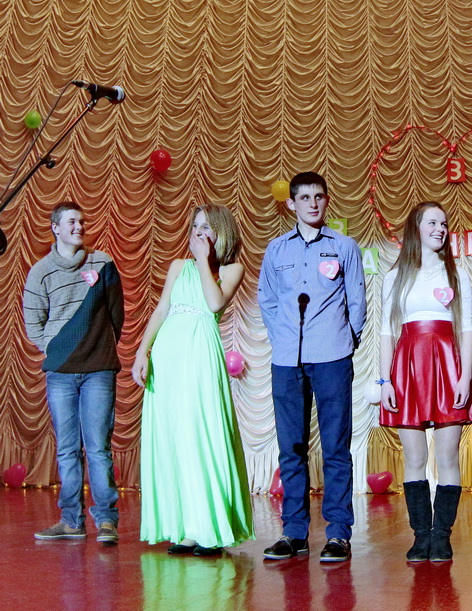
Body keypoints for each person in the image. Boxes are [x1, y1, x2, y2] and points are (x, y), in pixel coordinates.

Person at [133, 203, 254, 556]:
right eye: (195, 226)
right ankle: (186, 528)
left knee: (202, 434)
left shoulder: (231, 269)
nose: (199, 232)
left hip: (200, 353)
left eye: (207, 227)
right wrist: (143, 351)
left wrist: (203, 260)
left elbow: (214, 304)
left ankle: (211, 528)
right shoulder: (177, 266)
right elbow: (161, 309)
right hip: (169, 353)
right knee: (176, 438)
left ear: (222, 232)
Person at [259, 171, 367, 563]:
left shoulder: (344, 246)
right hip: (287, 361)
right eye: (304, 198)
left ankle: (338, 533)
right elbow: (268, 301)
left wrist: (345, 341)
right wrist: (283, 340)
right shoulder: (276, 250)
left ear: (327, 200)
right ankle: (294, 532)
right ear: (291, 204)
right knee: (291, 449)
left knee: (336, 447)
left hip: (332, 357)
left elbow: (357, 301)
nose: (312, 204)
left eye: (319, 197)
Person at [379, 202, 472, 562]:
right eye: (432, 222)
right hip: (407, 370)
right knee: (414, 457)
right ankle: (420, 536)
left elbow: (466, 329)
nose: (440, 228)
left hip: (447, 368)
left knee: (447, 456)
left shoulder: (456, 275)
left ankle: (441, 536)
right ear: (416, 228)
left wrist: (464, 376)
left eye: (444, 223)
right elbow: (386, 332)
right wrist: (385, 381)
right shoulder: (395, 276)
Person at [23, 201, 124, 543]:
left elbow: (117, 315)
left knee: (98, 448)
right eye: (71, 221)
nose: (79, 226)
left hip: (99, 370)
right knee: (67, 449)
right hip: (61, 373)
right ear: (55, 228)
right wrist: (57, 349)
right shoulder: (40, 272)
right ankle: (71, 521)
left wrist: (99, 347)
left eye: (81, 221)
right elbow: (33, 323)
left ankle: (106, 521)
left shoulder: (103, 263)